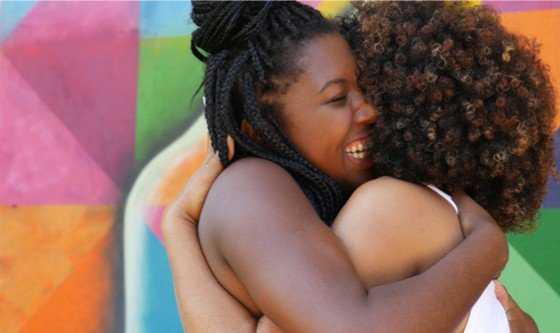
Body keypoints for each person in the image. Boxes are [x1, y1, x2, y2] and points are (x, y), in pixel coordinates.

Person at [163, 1, 553, 331]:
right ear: (260, 125)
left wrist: (178, 226)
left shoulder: (388, 206)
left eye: (365, 87)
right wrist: (488, 247)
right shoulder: (256, 186)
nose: (368, 109)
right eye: (337, 98)